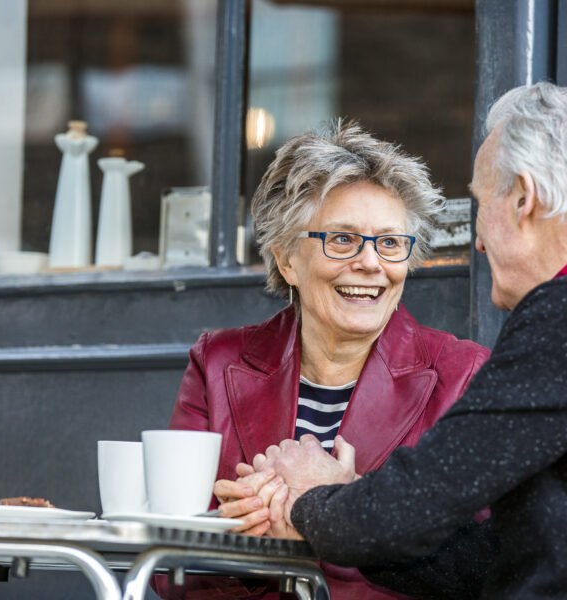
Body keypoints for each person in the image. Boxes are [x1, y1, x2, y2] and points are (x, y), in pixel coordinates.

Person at [248, 83, 567, 599]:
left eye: (480, 202)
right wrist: (344, 505)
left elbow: (408, 507)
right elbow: (503, 557)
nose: (479, 239)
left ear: (522, 199)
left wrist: (311, 498)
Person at [155, 119, 492, 600]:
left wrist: (337, 518)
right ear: (287, 259)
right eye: (342, 239)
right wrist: (249, 552)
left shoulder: (463, 376)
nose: (372, 263)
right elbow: (169, 568)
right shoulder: (217, 363)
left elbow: (485, 569)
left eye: (390, 242)